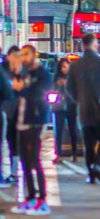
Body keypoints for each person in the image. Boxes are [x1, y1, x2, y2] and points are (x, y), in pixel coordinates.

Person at [67, 34, 100, 185]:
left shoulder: (75, 65)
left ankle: (91, 173)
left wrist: (79, 98)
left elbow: (69, 88)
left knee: (88, 142)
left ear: (82, 45)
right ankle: (98, 165)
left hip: (84, 108)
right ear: (95, 45)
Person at [11, 45, 52, 216]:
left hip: (35, 122)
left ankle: (42, 200)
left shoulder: (43, 74)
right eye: (22, 55)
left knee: (35, 160)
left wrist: (22, 89)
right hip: (21, 120)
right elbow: (17, 93)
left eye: (26, 54)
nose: (24, 57)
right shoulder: (25, 73)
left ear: (34, 55)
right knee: (25, 162)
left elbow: (38, 95)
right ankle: (31, 198)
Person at [2, 46, 24, 184]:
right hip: (5, 111)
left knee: (15, 142)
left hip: (19, 111)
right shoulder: (3, 70)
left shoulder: (22, 70)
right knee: (7, 141)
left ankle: (14, 171)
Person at [52, 58, 78, 164]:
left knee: (73, 129)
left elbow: (77, 90)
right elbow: (51, 90)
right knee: (59, 130)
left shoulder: (73, 77)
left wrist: (67, 84)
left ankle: (75, 153)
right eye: (62, 67)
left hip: (72, 105)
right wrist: (58, 85)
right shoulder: (56, 78)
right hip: (59, 106)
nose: (63, 69)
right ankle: (58, 153)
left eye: (65, 66)